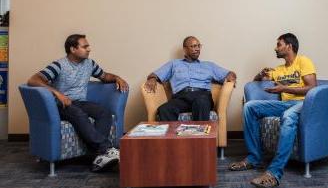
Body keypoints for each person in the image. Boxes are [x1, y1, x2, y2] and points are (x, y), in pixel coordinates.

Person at [28, 34, 129, 172]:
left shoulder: (89, 64)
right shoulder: (59, 65)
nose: (89, 49)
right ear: (73, 49)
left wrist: (118, 78)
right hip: (60, 105)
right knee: (78, 113)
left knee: (104, 113)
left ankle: (99, 156)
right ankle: (105, 149)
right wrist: (57, 94)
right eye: (85, 46)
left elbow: (105, 76)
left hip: (80, 102)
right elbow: (33, 80)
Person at [229, 33, 317, 188]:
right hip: (285, 104)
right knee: (250, 107)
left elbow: (312, 88)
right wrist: (261, 74)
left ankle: (274, 173)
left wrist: (284, 88)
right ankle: (253, 158)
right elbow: (257, 80)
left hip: (304, 104)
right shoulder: (279, 69)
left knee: (288, 116)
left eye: (279, 44)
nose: (275, 48)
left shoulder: (303, 61)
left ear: (289, 46)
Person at [144, 36, 236, 121]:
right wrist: (152, 79)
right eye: (193, 46)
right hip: (181, 98)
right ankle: (174, 139)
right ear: (185, 49)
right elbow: (155, 74)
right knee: (164, 109)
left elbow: (229, 73)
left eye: (199, 46)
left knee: (201, 102)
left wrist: (231, 77)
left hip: (202, 95)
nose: (197, 49)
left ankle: (201, 138)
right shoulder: (174, 64)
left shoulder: (209, 65)